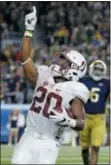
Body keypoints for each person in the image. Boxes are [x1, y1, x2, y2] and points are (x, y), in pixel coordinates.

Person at [11, 6, 89, 164]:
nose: (59, 62)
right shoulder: (44, 74)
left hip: (49, 142)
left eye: (65, 62)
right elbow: (25, 59)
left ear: (75, 69)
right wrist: (29, 30)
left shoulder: (76, 89)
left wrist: (69, 122)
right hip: (28, 136)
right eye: (61, 58)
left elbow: (81, 123)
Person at [79, 60, 110, 165]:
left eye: (100, 70)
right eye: (96, 69)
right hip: (84, 118)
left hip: (99, 118)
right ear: (91, 69)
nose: (97, 71)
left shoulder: (107, 82)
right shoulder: (83, 80)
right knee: (84, 147)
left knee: (96, 147)